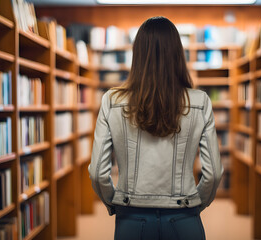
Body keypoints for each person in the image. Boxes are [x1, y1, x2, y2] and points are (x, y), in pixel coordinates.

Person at [88, 16, 223, 240]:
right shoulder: (200, 102)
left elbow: (97, 173)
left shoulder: (111, 101)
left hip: (131, 219)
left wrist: (116, 202)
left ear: (137, 55)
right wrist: (195, 204)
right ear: (178, 54)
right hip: (184, 219)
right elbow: (214, 173)